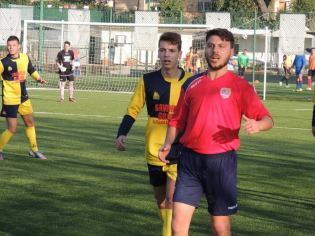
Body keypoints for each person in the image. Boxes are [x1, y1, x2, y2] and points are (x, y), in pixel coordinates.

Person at [159, 28, 273, 236]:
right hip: (189, 161)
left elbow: (268, 120)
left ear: (231, 52)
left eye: (221, 46)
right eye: (211, 46)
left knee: (219, 227)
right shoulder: (191, 84)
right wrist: (168, 144)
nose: (215, 51)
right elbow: (177, 120)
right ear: (205, 50)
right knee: (177, 225)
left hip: (221, 163)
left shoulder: (241, 87)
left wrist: (258, 125)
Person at [116, 32, 191, 236]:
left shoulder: (191, 82)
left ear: (179, 54)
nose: (167, 55)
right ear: (158, 52)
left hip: (180, 149)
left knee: (172, 199)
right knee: (161, 201)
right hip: (154, 149)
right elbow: (133, 108)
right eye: (163, 50)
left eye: (172, 51)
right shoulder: (147, 80)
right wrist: (122, 133)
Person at [0, 35, 48, 160]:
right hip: (10, 99)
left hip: (24, 98)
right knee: (12, 129)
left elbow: (31, 70)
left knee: (30, 123)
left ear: (19, 46)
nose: (11, 48)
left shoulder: (25, 58)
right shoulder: (3, 63)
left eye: (14, 45)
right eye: (9, 45)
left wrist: (38, 78)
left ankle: (34, 150)